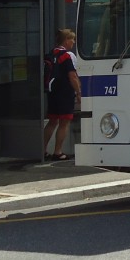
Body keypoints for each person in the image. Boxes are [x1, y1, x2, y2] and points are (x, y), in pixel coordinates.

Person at [44, 28, 80, 161]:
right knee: (64, 122)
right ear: (66, 40)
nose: (74, 42)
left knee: (52, 121)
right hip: (65, 92)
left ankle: (43, 150)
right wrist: (78, 92)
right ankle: (58, 151)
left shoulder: (52, 53)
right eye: (72, 39)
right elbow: (72, 76)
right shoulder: (67, 55)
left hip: (52, 91)